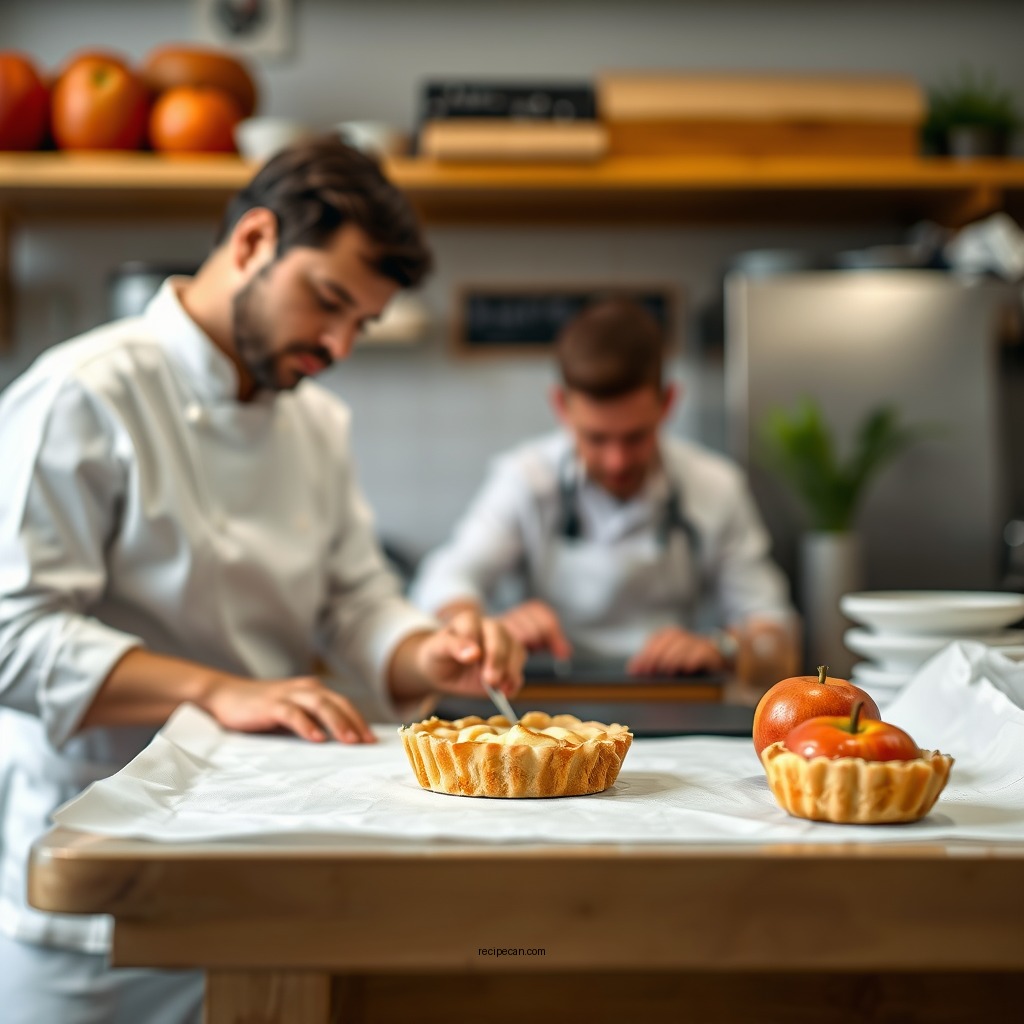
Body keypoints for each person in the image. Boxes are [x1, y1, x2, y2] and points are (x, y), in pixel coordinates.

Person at [0, 136, 523, 1024]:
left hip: (263, 863)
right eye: (328, 301)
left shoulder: (315, 420)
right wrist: (219, 692)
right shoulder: (84, 393)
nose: (337, 343)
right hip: (94, 891)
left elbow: (356, 598)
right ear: (252, 242)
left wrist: (427, 651)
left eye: (361, 323)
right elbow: (13, 636)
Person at [411, 297, 798, 679]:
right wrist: (477, 626)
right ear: (562, 406)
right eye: (595, 438)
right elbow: (445, 581)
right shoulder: (525, 479)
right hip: (545, 703)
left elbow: (777, 634)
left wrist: (722, 647)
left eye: (635, 437)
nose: (617, 461)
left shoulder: (716, 486)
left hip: (674, 699)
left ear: (668, 404)